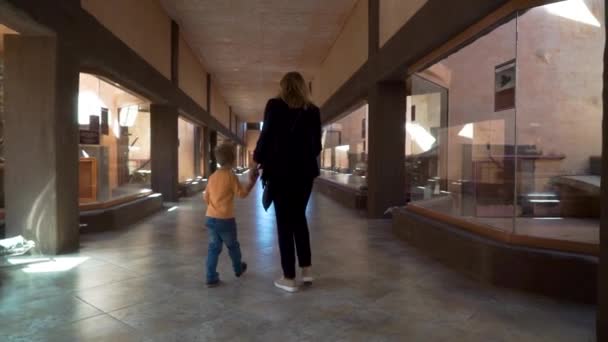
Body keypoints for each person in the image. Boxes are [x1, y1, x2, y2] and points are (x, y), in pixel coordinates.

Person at [252, 71, 322, 293]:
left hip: (281, 172)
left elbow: (266, 136)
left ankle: (289, 277)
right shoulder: (313, 111)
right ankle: (307, 269)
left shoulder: (274, 106)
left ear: (283, 87)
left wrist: (256, 161)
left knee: (284, 223)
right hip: (305, 174)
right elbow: (317, 147)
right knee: (299, 218)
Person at [204, 143, 258, 287]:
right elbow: (241, 194)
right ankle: (238, 268)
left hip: (210, 218)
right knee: (233, 246)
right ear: (233, 160)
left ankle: (210, 277)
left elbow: (206, 197)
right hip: (225, 220)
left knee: (213, 248)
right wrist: (252, 184)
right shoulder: (230, 176)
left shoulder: (212, 176)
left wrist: (212, 207)